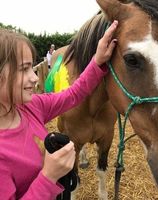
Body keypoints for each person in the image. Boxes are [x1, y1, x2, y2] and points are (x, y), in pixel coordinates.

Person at [0, 20, 118, 199]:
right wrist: (49, 177)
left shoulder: (31, 106)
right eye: (24, 69)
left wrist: (98, 60)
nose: (35, 79)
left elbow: (73, 94)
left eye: (31, 68)